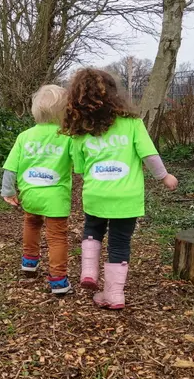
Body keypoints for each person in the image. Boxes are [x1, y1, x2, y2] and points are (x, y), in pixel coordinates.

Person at [62, 69, 178, 309]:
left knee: (92, 229)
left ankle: (89, 272)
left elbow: (80, 169)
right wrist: (164, 176)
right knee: (119, 242)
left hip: (96, 194)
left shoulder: (81, 132)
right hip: (126, 197)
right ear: (114, 94)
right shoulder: (132, 123)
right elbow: (150, 155)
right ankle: (114, 295)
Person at [1, 85, 73, 294]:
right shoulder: (67, 136)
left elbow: (10, 166)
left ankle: (29, 262)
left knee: (31, 224)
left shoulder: (24, 136)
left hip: (30, 193)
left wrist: (8, 191)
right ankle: (58, 281)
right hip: (56, 196)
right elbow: (80, 165)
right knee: (57, 237)